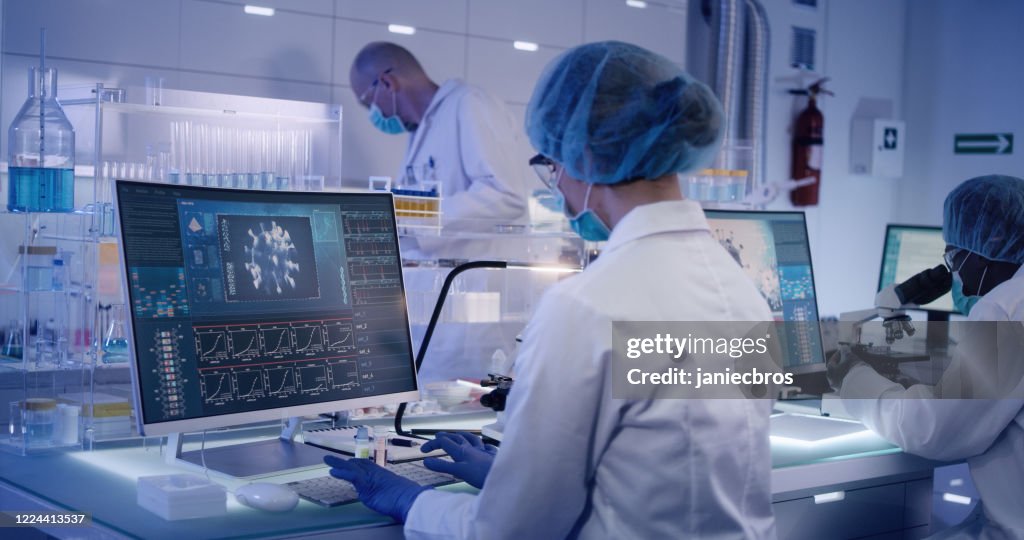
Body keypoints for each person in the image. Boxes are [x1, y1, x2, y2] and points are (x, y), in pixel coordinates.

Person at [326, 41, 778, 539]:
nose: (556, 186)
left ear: (584, 152)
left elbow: (511, 532)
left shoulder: (584, 308)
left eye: (553, 165)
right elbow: (666, 460)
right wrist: (510, 475)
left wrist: (410, 501)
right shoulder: (740, 291)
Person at [830, 175, 1024, 539]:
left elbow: (932, 429)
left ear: (992, 243)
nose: (952, 275)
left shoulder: (1009, 307)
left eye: (954, 256)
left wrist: (852, 379)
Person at [349, 41, 533, 254]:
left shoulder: (470, 104)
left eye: (368, 104)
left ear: (387, 83)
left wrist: (415, 220)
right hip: (439, 280)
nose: (374, 113)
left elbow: (506, 196)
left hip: (478, 280)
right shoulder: (423, 130)